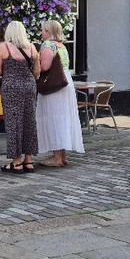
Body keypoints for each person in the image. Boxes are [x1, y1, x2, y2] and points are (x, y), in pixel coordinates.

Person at [0, 21, 41, 173]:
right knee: (29, 121)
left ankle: (16, 162)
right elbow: (37, 72)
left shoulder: (3, 47)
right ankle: (29, 160)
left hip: (11, 87)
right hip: (29, 87)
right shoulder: (32, 48)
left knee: (13, 123)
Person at [36, 20, 84, 167]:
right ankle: (62, 156)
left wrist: (34, 65)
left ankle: (56, 158)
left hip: (53, 84)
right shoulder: (62, 46)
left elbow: (45, 67)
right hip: (64, 81)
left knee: (54, 117)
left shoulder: (47, 45)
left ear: (48, 32)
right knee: (63, 118)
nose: (41, 33)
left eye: (43, 30)